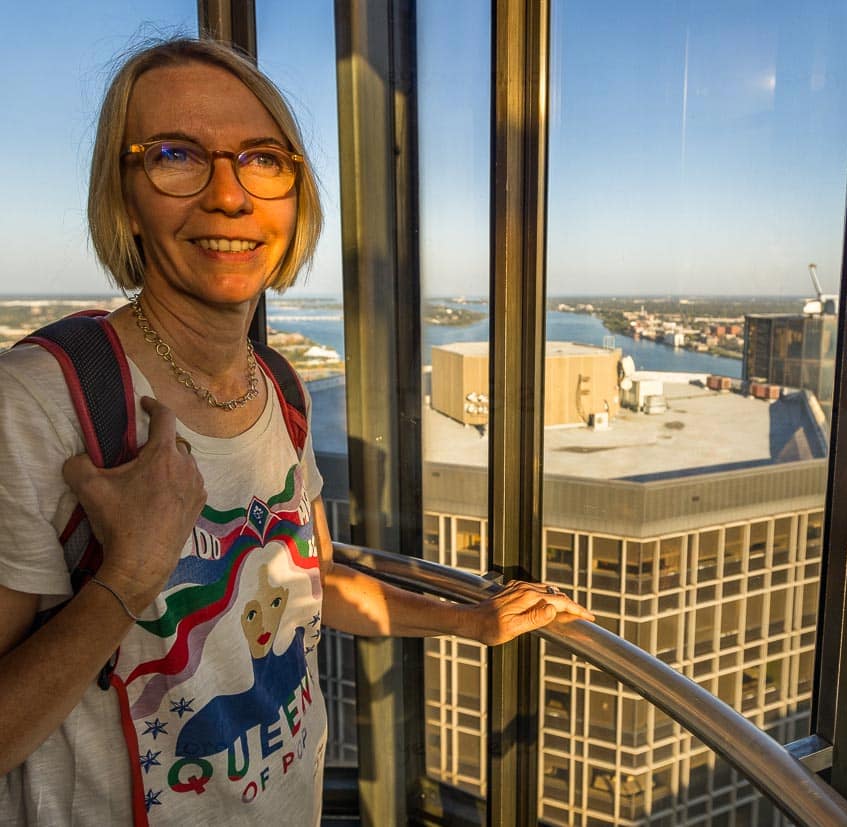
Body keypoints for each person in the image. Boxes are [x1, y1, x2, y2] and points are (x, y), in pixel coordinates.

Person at [0, 37, 592, 825]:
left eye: (263, 158)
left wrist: (471, 620)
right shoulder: (42, 403)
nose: (229, 196)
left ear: (295, 195)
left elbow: (303, 581)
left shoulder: (274, 384)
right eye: (177, 154)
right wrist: (128, 576)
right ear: (124, 195)